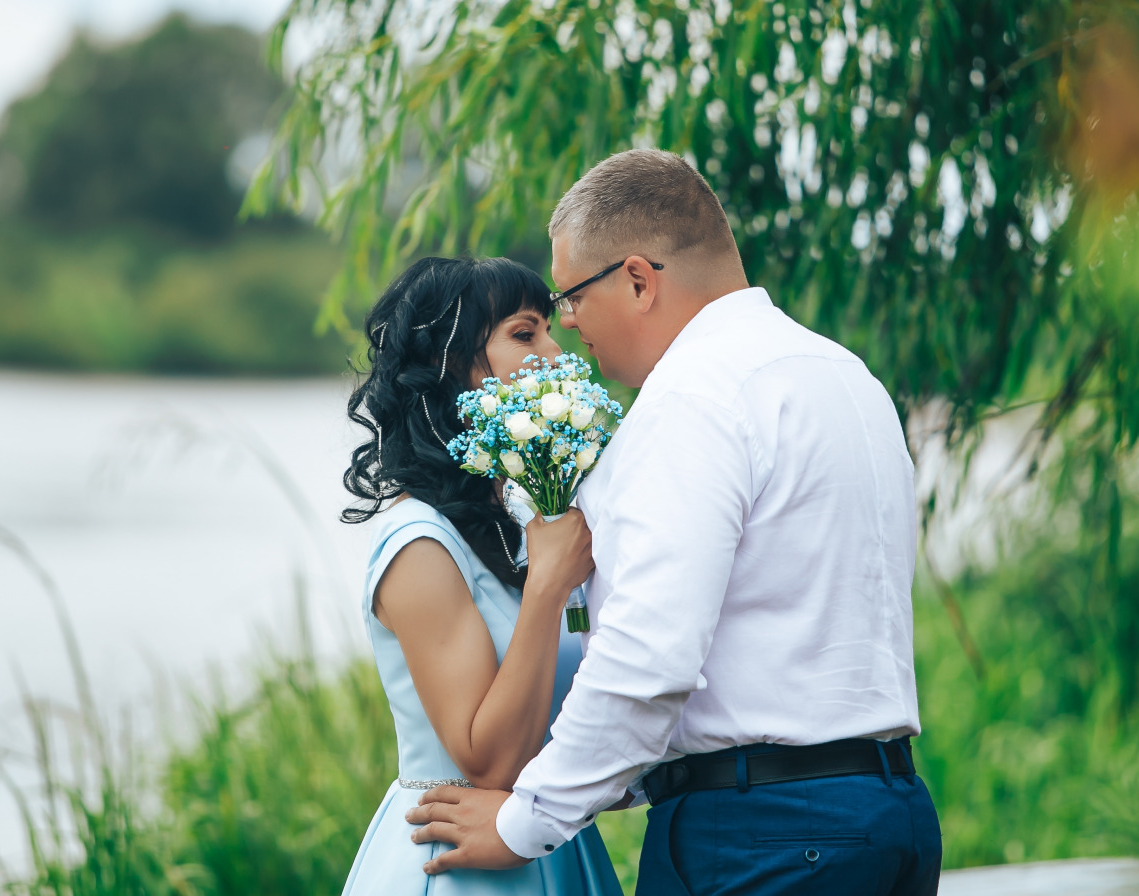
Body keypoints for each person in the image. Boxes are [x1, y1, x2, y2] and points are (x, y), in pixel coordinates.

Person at [404, 150, 942, 895]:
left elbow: (650, 654)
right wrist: (619, 781)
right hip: (891, 816)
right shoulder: (844, 376)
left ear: (636, 279)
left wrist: (524, 823)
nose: (568, 325)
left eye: (571, 297)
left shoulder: (691, 399)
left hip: (763, 838)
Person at [339, 255, 624, 896]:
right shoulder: (417, 542)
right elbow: (489, 760)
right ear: (459, 365)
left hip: (546, 843)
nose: (558, 352)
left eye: (551, 329)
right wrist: (549, 585)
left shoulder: (522, 519)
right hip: (460, 861)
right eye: (526, 334)